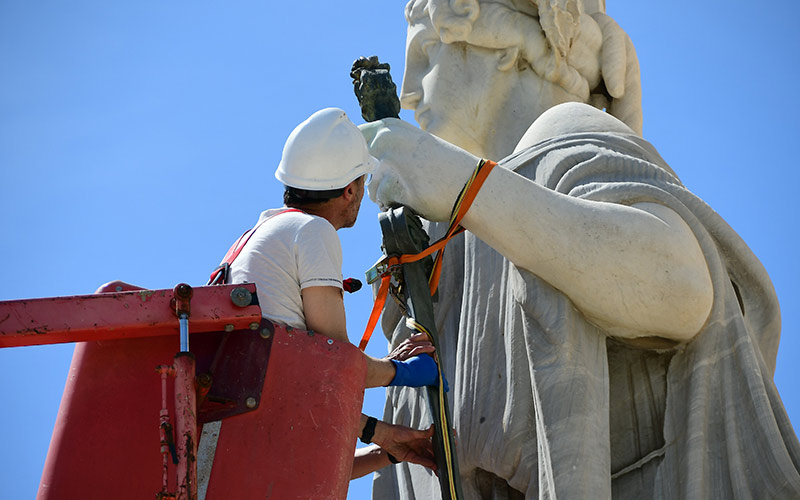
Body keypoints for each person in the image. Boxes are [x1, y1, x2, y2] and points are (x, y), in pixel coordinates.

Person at [359, 0, 800, 499]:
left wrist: (467, 188)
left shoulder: (561, 135)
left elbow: (683, 288)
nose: (410, 89)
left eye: (426, 52)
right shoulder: (453, 234)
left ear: (502, 52)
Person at [227, 107, 441, 477]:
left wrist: (386, 445)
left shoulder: (256, 238)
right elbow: (334, 364)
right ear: (350, 190)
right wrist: (403, 371)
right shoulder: (311, 231)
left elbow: (309, 401)